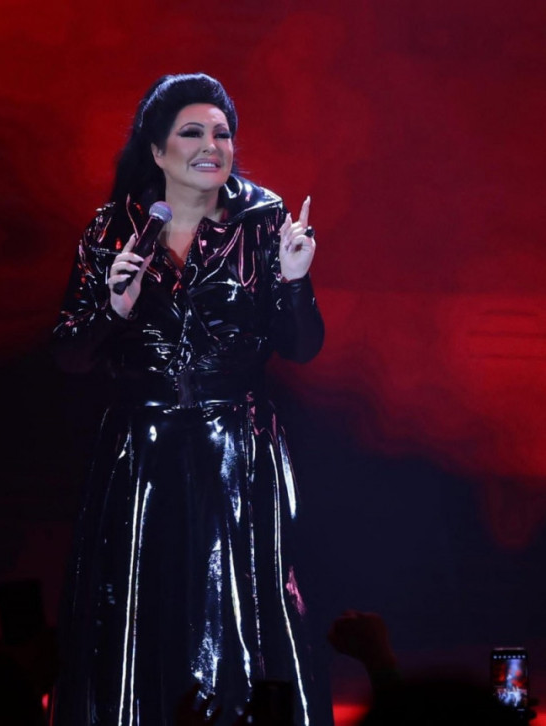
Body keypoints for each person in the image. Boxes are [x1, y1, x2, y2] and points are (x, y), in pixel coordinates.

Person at [50, 72, 326, 726]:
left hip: (236, 450)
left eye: (222, 134)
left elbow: (302, 347)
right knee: (139, 608)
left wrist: (295, 281)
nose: (212, 147)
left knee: (241, 614)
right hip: (141, 452)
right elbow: (69, 354)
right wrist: (114, 308)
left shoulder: (264, 220)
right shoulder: (113, 229)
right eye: (193, 133)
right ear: (156, 149)